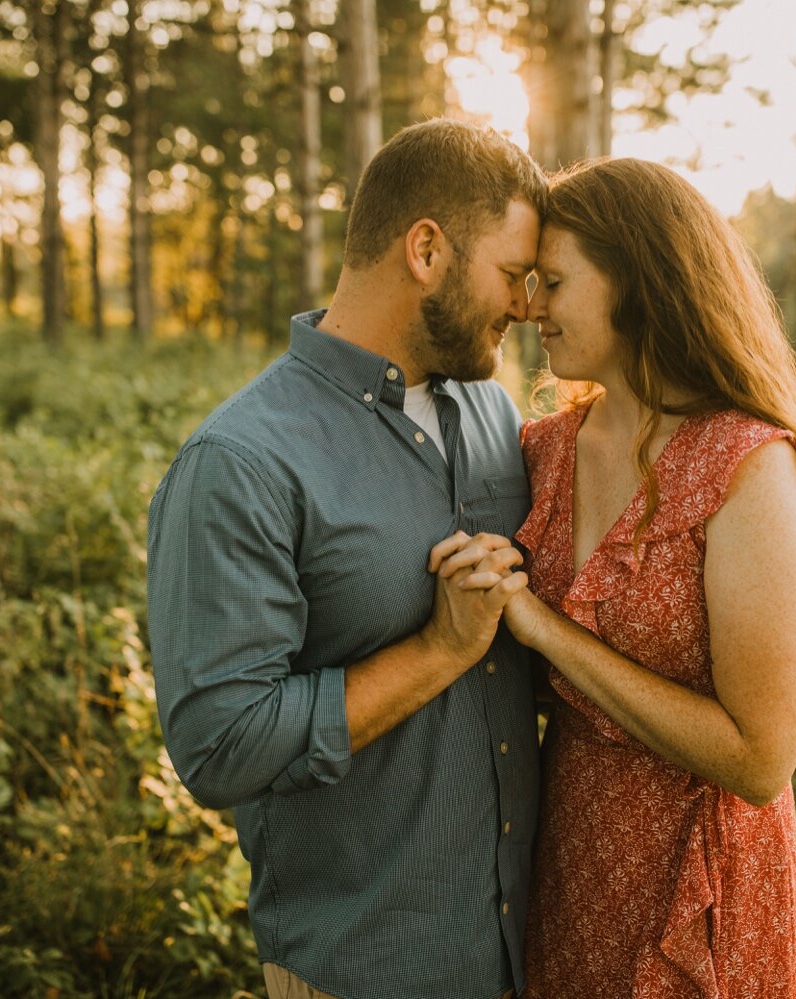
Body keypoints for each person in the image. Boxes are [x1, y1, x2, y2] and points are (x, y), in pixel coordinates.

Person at [434, 158, 796, 998]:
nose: (529, 307)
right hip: (572, 863)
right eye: (526, 282)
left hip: (698, 878)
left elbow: (759, 757)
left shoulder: (746, 466)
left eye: (552, 282)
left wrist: (546, 628)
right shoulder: (545, 450)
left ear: (634, 280)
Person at [145, 119, 545, 999]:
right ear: (428, 249)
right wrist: (439, 650)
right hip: (365, 971)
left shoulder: (492, 414)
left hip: (521, 953)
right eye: (513, 275)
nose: (525, 304)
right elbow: (220, 745)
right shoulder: (242, 463)